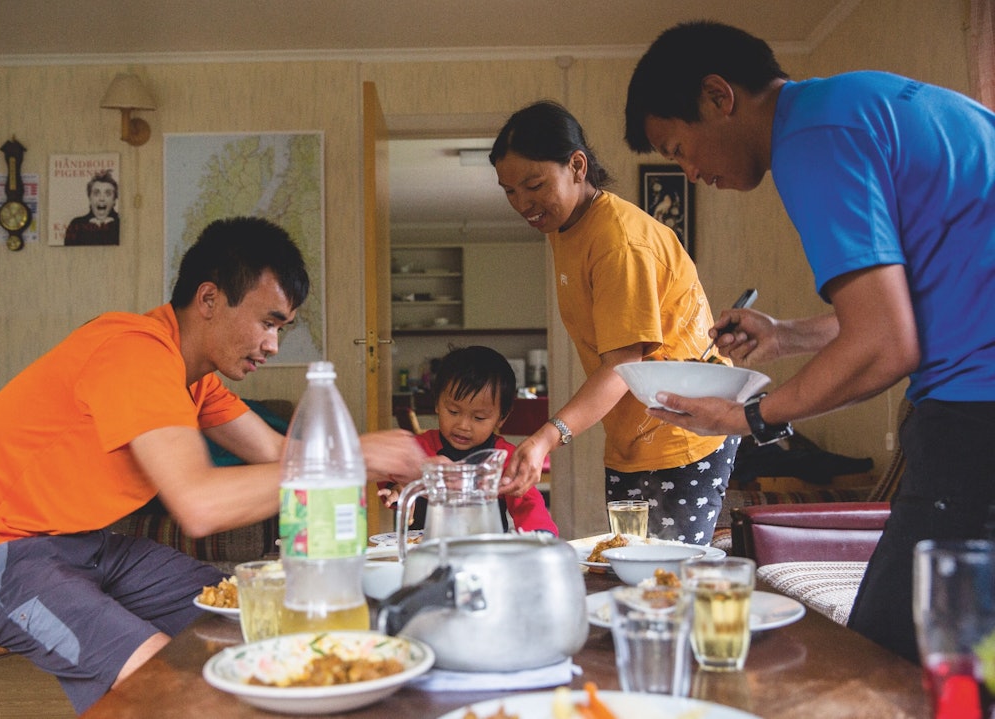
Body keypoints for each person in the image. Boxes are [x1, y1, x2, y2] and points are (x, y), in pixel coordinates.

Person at [0, 216, 425, 713]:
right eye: (267, 323)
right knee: (172, 686)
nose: (272, 344)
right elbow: (198, 504)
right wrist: (355, 459)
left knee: (242, 617)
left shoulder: (192, 377)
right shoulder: (133, 353)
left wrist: (379, 462)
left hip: (82, 546)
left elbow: (280, 456)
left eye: (282, 328)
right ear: (208, 299)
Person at [623, 20, 995, 662]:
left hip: (977, 411)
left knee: (889, 662)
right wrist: (788, 334)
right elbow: (909, 307)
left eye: (679, 146)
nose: (688, 169)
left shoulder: (811, 140)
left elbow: (886, 347)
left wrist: (748, 418)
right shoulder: (857, 102)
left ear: (719, 96)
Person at [490, 101, 739, 546]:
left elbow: (622, 364)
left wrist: (547, 437)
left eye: (534, 185)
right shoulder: (565, 227)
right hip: (632, 438)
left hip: (682, 433)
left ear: (577, 166)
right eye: (509, 191)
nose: (523, 204)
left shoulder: (619, 242)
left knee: (665, 580)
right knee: (627, 567)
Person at [381, 345, 558, 535]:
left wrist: (541, 536)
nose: (463, 425)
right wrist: (397, 489)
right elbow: (389, 470)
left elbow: (528, 502)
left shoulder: (503, 457)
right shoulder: (420, 447)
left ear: (502, 418)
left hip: (484, 553)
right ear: (437, 404)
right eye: (454, 412)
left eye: (479, 417)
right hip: (427, 550)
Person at [64, 169, 120, 245]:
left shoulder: (123, 224)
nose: (102, 198)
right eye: (96, 193)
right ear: (90, 198)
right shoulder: (76, 225)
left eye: (108, 194)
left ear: (114, 200)